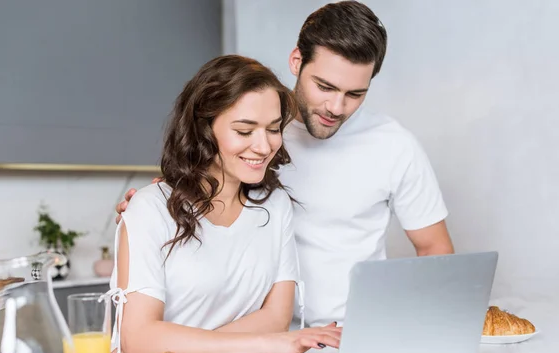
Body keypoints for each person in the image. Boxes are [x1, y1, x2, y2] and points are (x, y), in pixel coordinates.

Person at [116, 2, 454, 330]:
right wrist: (151, 210)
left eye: (355, 94)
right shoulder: (255, 137)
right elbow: (192, 192)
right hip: (256, 335)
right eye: (325, 86)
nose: (336, 107)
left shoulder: (395, 146)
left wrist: (425, 336)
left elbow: (434, 248)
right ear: (296, 61)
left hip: (350, 333)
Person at [107, 54, 341, 353]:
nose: (263, 146)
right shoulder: (150, 208)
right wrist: (264, 344)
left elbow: (276, 318)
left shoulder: (275, 205)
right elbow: (139, 341)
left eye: (273, 129)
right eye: (244, 131)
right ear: (204, 130)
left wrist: (172, 349)